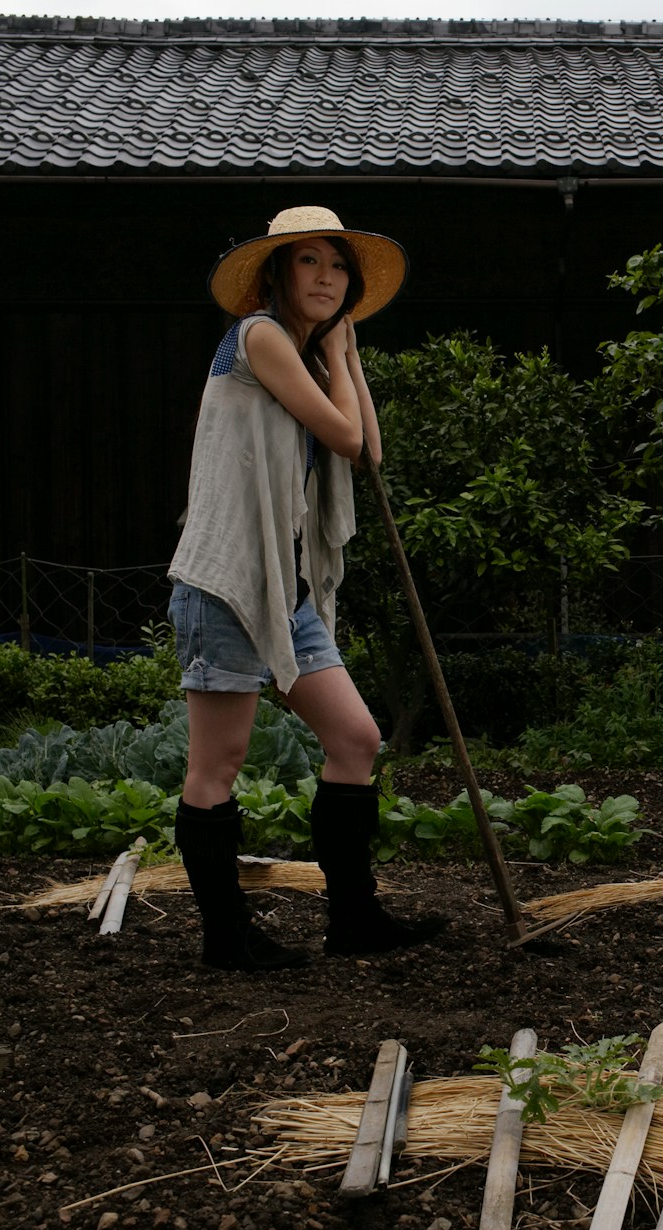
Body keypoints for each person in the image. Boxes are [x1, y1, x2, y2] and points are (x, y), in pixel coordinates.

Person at [167, 205, 443, 971]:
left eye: (338, 267)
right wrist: (336, 356)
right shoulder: (259, 337)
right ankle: (226, 938)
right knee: (215, 768)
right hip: (228, 584)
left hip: (285, 596)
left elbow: (369, 450)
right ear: (276, 274)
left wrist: (345, 354)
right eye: (308, 262)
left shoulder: (308, 354)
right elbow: (348, 438)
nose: (327, 278)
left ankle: (352, 919)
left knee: (356, 742)